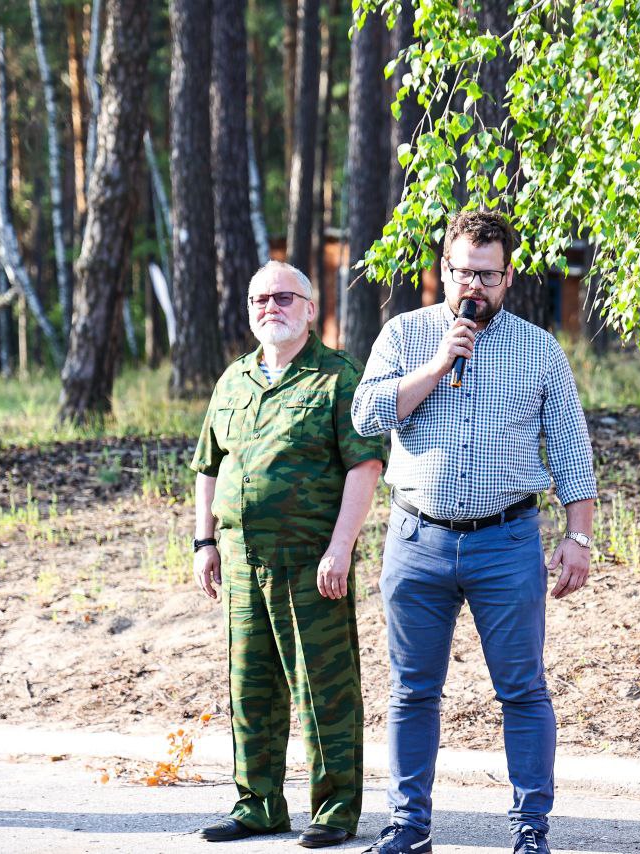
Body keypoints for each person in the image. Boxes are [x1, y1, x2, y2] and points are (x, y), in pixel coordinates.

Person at [351, 210, 597, 854]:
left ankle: (529, 828)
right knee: (411, 691)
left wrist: (579, 536)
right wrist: (435, 366)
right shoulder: (404, 335)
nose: (475, 286)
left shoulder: (538, 348)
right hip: (417, 539)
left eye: (488, 275)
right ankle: (408, 825)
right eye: (464, 272)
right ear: (444, 271)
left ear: (509, 277)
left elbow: (571, 448)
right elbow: (367, 414)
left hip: (506, 541)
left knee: (521, 688)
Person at [190, 261, 385, 847]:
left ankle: (335, 811)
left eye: (282, 297)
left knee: (323, 688)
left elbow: (366, 465)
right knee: (250, 686)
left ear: (308, 306)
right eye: (258, 299)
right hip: (242, 561)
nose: (269, 307)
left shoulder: (337, 376)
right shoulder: (233, 380)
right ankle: (258, 804)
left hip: (311, 562)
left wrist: (340, 549)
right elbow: (208, 466)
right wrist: (204, 542)